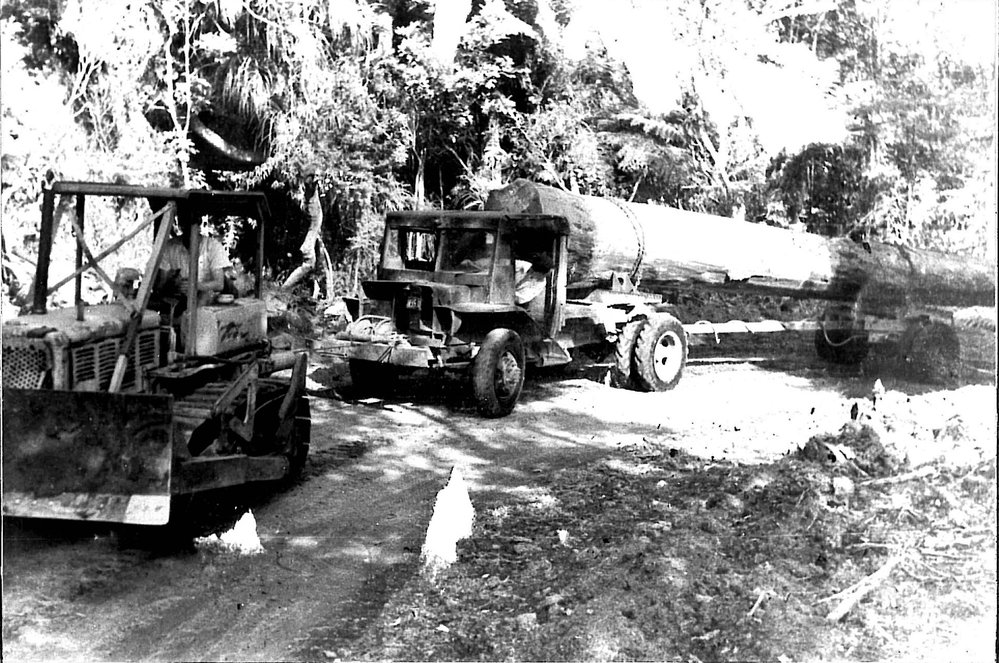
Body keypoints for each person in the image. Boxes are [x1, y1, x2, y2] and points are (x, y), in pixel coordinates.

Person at [155, 219, 231, 307]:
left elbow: (219, 284)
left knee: (204, 296)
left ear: (199, 225)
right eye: (185, 225)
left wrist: (195, 286)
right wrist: (173, 283)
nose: (189, 229)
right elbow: (160, 286)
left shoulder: (213, 246)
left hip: (206, 301)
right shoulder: (169, 247)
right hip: (177, 300)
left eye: (193, 225)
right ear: (181, 226)